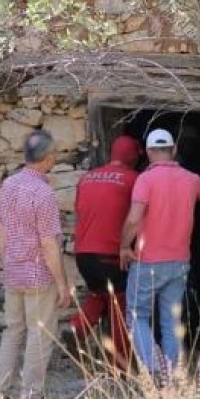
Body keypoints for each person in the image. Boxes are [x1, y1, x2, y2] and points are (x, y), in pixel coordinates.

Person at [120, 128, 200, 378]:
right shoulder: (191, 179)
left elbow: (133, 219)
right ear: (173, 150)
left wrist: (123, 246)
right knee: (171, 322)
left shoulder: (145, 180)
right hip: (180, 263)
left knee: (136, 317)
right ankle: (172, 374)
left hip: (148, 261)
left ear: (149, 152)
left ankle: (155, 368)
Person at [0, 130, 73, 399]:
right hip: (38, 274)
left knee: (13, 331)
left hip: (13, 271)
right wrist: (62, 283)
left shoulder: (8, 186)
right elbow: (49, 243)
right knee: (39, 334)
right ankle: (30, 397)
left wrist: (8, 262)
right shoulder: (44, 193)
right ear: (48, 158)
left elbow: (0, 231)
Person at [69, 135, 141, 370]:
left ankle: (76, 328)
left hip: (83, 254)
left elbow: (80, 210)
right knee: (121, 307)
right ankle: (120, 367)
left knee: (99, 295)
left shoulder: (86, 178)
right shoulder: (133, 179)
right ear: (133, 155)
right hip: (110, 254)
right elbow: (138, 215)